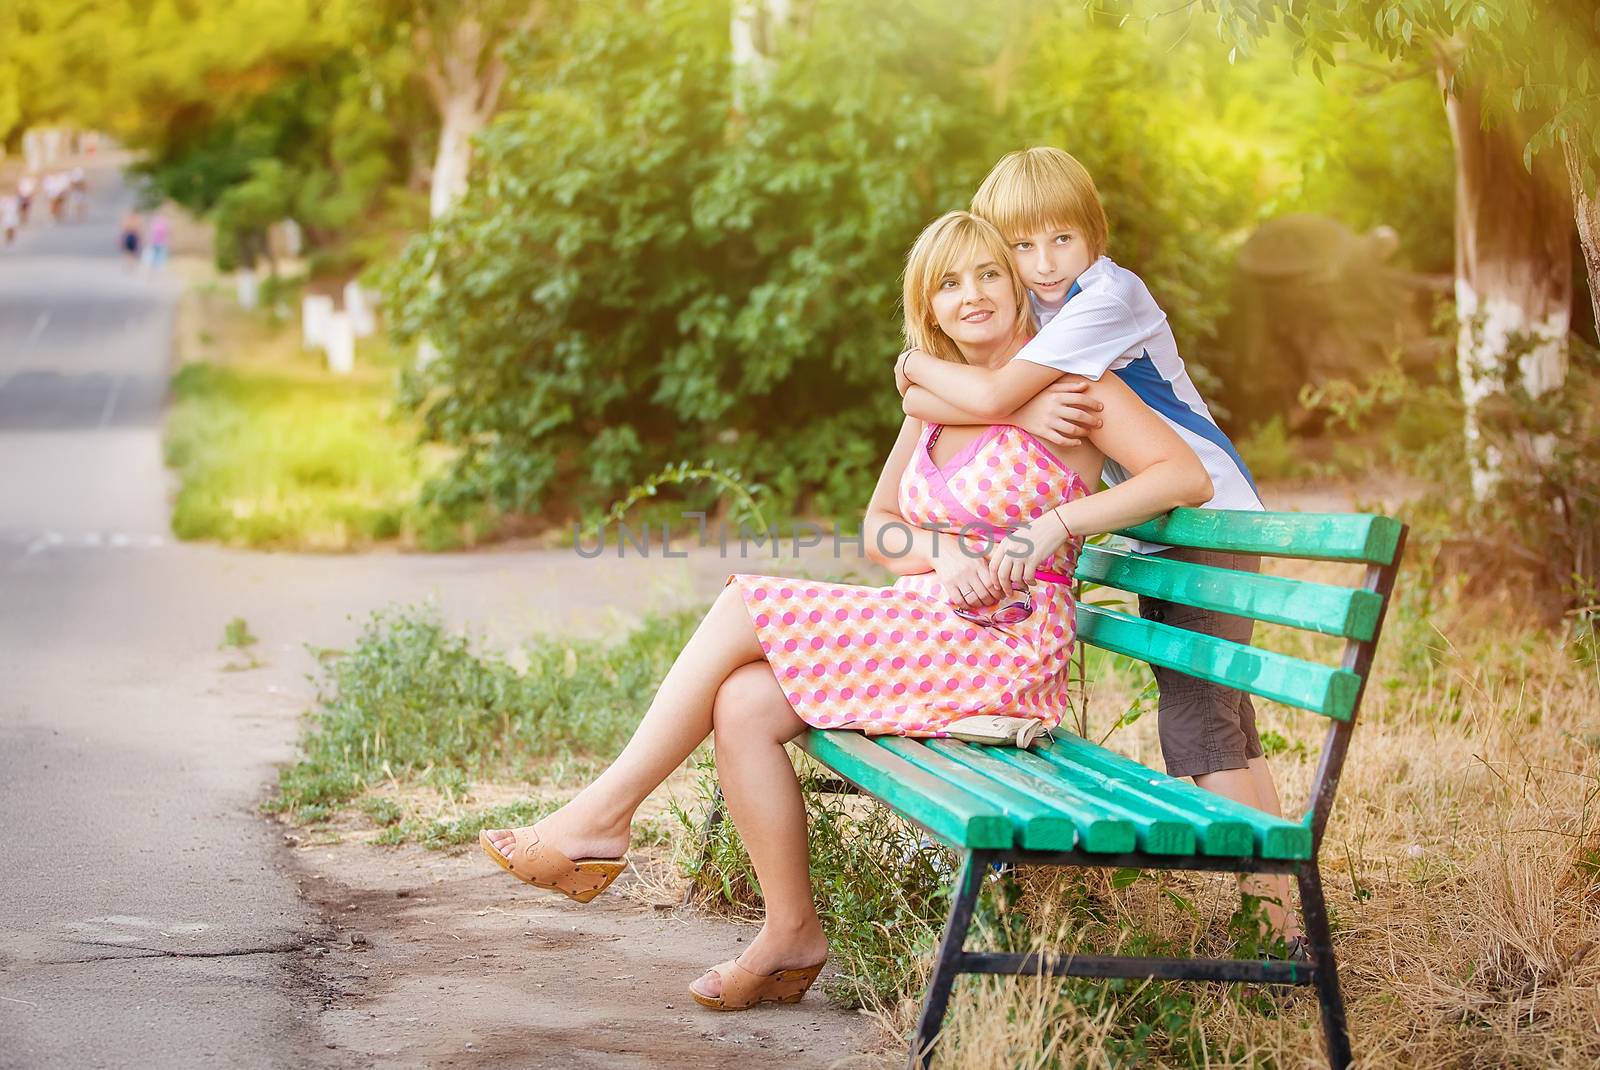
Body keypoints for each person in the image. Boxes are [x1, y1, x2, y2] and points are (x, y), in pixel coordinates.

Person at [478, 210, 1214, 1011]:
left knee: (745, 603)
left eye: (988, 274)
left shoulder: (1077, 388)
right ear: (927, 308)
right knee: (746, 700)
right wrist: (944, 553)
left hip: (1003, 645)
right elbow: (880, 529)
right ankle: (790, 932)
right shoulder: (932, 398)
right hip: (932, 622)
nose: (972, 296)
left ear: (1016, 284)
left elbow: (1183, 476)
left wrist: (1054, 526)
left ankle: (599, 817)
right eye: (948, 284)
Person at [897, 147, 1304, 957]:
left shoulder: (1105, 299)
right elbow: (972, 397)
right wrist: (921, 382)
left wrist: (911, 363)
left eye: (1062, 241)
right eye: (1021, 247)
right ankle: (1285, 906)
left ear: (1096, 236)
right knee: (1222, 723)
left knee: (1204, 730)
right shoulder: (1053, 311)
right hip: (1180, 527)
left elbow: (979, 393)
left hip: (1207, 514)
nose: (1043, 265)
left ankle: (1282, 923)